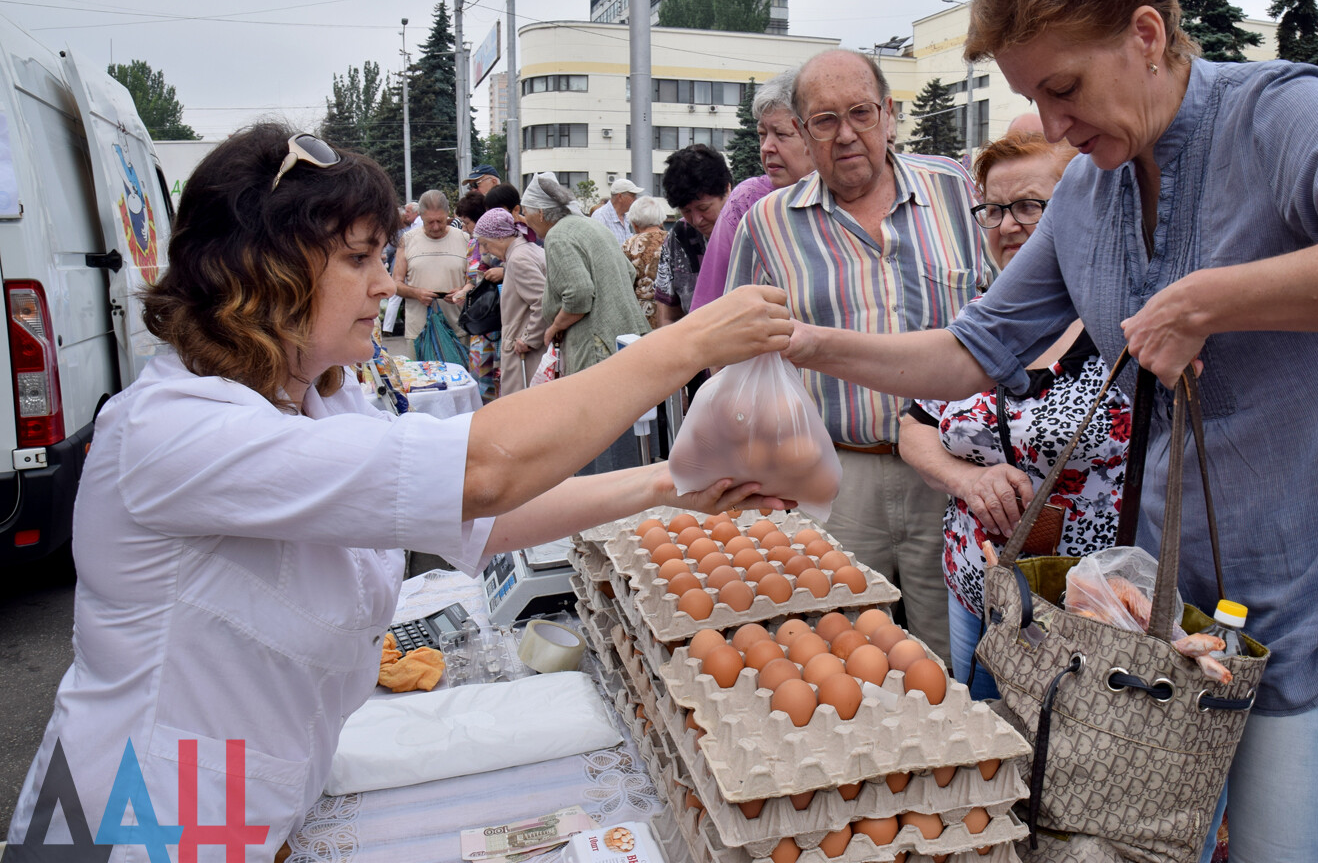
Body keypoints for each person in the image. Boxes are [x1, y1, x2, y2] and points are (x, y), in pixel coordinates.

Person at [785, 0, 1318, 862]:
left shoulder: (1278, 117)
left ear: (1149, 33)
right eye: (1032, 94)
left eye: (1065, 87)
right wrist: (808, 342)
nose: (1051, 120)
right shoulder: (1090, 193)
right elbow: (972, 351)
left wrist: (1215, 299)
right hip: (1187, 622)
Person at [5, 124, 795, 857]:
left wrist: (672, 482)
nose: (387, 284)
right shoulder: (177, 429)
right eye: (358, 260)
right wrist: (688, 341)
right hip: (140, 822)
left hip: (250, 805)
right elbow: (485, 470)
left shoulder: (317, 396)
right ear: (260, 270)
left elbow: (481, 517)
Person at [727, 48, 986, 664]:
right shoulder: (766, 222)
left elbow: (1008, 309)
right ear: (802, 129)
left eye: (861, 113)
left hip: (952, 475)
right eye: (823, 120)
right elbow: (735, 358)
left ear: (889, 115)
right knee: (839, 652)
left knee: (953, 654)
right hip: (835, 479)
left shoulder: (954, 192)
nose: (846, 135)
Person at [899, 131, 1129, 700]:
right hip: (976, 586)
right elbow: (914, 426)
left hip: (1088, 609)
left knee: (1075, 768)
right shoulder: (977, 320)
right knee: (987, 745)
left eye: (1030, 205)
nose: (1007, 225)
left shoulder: (1119, 327)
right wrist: (966, 478)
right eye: (994, 209)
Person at [518, 172, 650, 474]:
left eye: (525, 212)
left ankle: (607, 511)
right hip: (629, 338)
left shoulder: (559, 235)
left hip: (597, 345)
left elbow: (579, 295)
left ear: (540, 212)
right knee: (627, 431)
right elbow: (628, 274)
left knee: (599, 437)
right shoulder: (591, 226)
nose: (525, 219)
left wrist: (554, 327)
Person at [691, 69, 817, 312]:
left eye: (781, 134)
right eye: (762, 134)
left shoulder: (847, 197)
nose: (767, 147)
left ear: (815, 134)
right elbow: (709, 303)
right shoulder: (747, 201)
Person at [472, 208, 547, 395]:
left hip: (525, 353)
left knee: (523, 410)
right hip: (527, 346)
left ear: (499, 237)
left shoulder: (518, 258)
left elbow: (543, 301)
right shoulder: (528, 249)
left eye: (485, 244)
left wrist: (529, 339)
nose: (484, 251)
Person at [392, 190, 471, 365]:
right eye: (430, 222)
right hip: (418, 333)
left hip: (457, 330)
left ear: (448, 215)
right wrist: (416, 293)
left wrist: (462, 291)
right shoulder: (408, 240)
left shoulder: (464, 239)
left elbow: (473, 281)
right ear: (420, 217)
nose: (435, 227)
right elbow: (395, 284)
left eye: (440, 221)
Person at [655, 144, 729, 326]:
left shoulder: (753, 228)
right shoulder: (679, 236)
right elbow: (668, 315)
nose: (696, 220)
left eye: (704, 208)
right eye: (686, 211)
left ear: (727, 191)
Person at [456, 191, 502, 400]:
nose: (464, 228)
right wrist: (463, 292)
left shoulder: (500, 242)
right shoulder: (472, 245)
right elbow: (470, 281)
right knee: (479, 381)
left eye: (467, 223)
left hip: (499, 321)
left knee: (501, 381)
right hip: (480, 322)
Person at [623, 196, 670, 327]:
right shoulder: (672, 239)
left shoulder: (629, 245)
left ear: (634, 223)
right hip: (670, 310)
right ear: (660, 220)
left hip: (641, 313)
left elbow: (625, 282)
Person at [593, 177, 643, 245]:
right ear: (620, 197)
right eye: (633, 196)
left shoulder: (627, 218)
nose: (635, 199)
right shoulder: (600, 216)